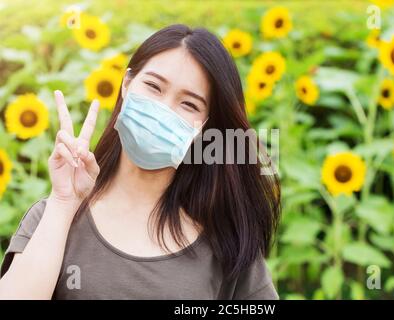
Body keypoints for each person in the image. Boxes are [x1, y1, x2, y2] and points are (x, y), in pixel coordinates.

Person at [0, 24, 281, 300]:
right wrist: (64, 203)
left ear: (203, 128)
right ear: (126, 84)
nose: (163, 108)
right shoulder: (54, 217)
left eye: (189, 104)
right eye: (154, 86)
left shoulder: (225, 243)